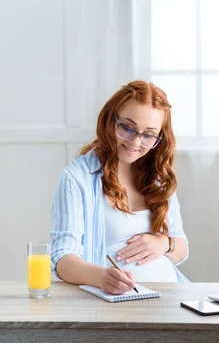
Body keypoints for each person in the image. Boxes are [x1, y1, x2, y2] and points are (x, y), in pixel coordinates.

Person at [50, 80, 190, 295]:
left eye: (148, 135)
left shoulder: (158, 178)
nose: (135, 142)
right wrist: (100, 277)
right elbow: (62, 258)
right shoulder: (77, 178)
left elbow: (181, 249)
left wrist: (165, 243)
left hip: (169, 298)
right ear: (110, 121)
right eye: (127, 128)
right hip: (113, 304)